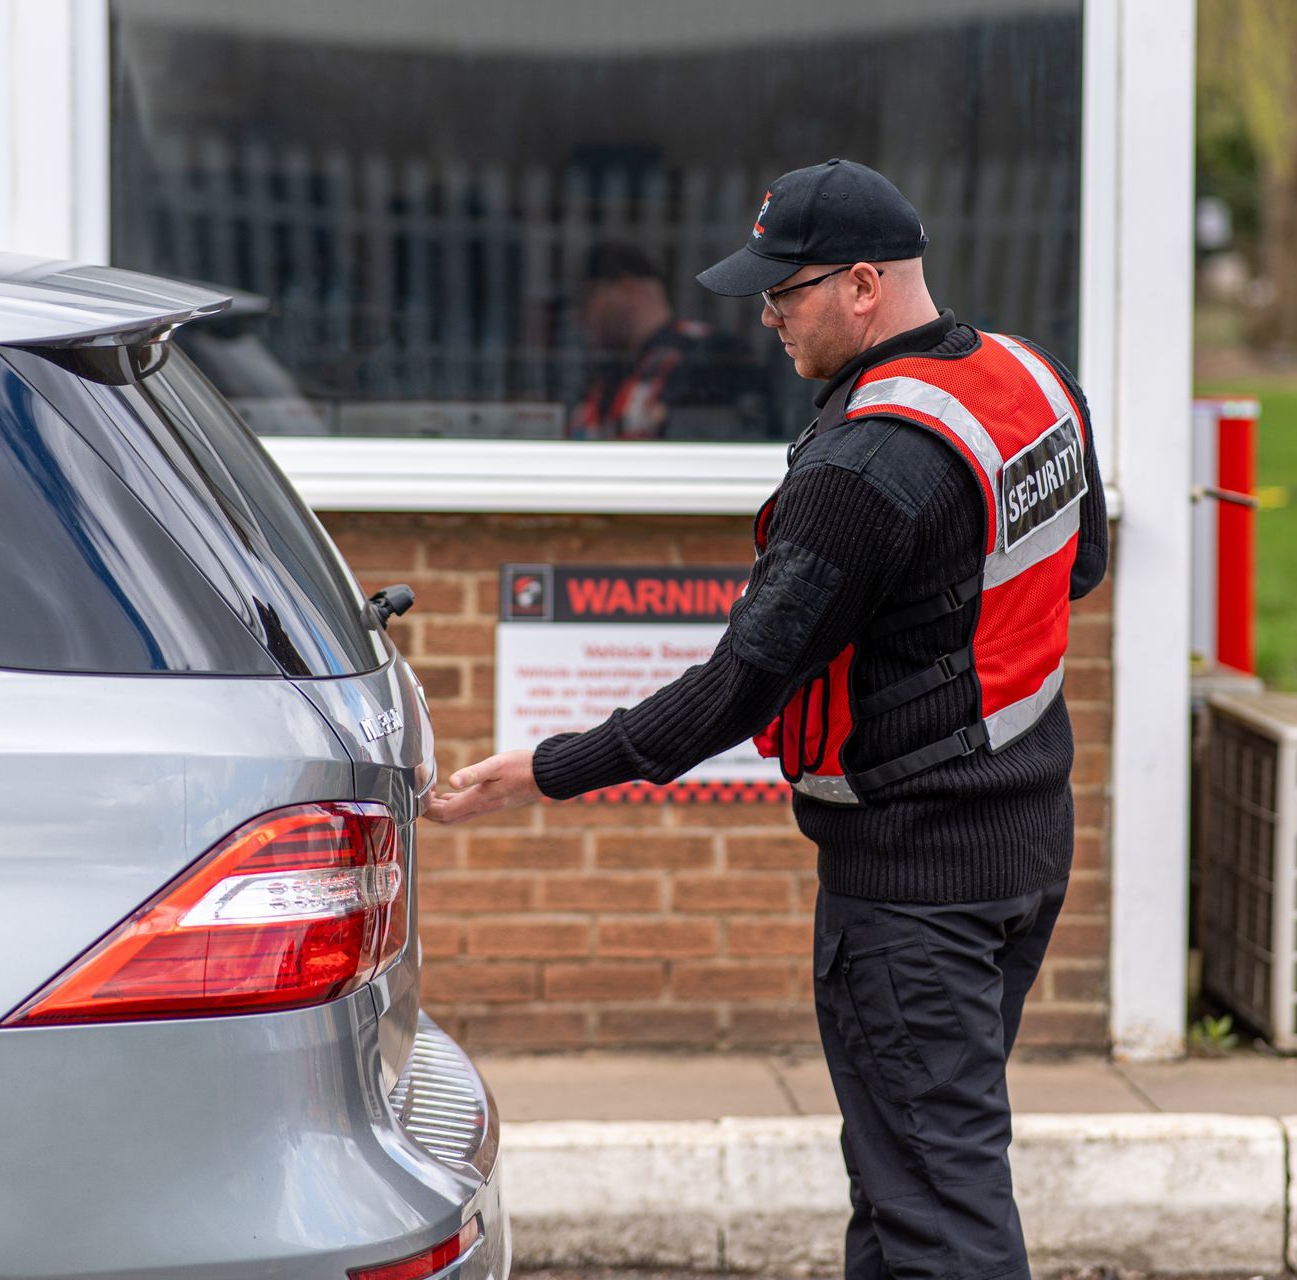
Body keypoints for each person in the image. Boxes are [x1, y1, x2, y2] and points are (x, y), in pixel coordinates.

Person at [428, 158, 1109, 1280]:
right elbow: (1078, 566)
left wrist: (546, 767)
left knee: (940, 1207)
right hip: (1023, 847)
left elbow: (738, 686)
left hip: (912, 889)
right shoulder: (1036, 379)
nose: (767, 317)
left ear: (859, 286)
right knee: (908, 1178)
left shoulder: (866, 462)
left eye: (783, 293)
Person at [568, 240, 766, 440]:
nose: (584, 315)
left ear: (627, 288)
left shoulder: (707, 353)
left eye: (590, 296)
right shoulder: (611, 369)